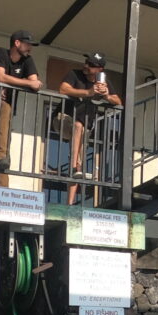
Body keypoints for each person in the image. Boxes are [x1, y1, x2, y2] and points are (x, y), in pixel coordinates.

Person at [59, 52, 122, 204]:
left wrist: (106, 96)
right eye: (86, 62)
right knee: (78, 125)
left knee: (78, 167)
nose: (86, 66)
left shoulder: (103, 81)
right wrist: (88, 92)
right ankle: (74, 166)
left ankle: (70, 203)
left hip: (85, 126)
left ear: (100, 69)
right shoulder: (75, 74)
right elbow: (63, 89)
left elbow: (118, 101)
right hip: (64, 119)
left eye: (91, 65)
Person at [0, 30, 41, 187]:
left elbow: (36, 84)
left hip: (8, 107)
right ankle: (1, 157)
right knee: (2, 150)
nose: (30, 48)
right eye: (27, 44)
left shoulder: (27, 60)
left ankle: (2, 188)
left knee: (5, 145)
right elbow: (0, 77)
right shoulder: (0, 53)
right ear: (17, 43)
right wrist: (27, 82)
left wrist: (27, 82)